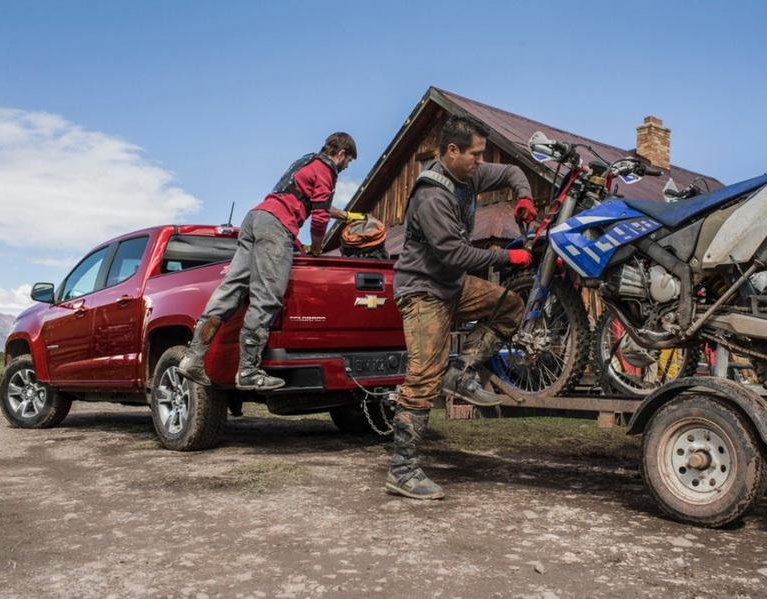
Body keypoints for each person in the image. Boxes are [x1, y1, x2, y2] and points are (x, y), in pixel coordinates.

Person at [385, 115, 536, 500]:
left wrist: (524, 198)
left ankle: (462, 370)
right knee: (422, 377)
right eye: (475, 154)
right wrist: (509, 257)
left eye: (482, 154)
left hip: (451, 286)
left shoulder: (469, 176)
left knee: (509, 305)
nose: (480, 161)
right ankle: (402, 469)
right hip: (423, 291)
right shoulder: (431, 196)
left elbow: (514, 171)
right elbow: (453, 254)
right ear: (452, 151)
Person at [177, 132, 363, 391]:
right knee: (267, 297)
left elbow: (308, 200)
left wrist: (344, 215)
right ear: (341, 154)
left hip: (256, 218)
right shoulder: (327, 170)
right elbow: (319, 217)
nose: (346, 167)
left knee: (231, 291)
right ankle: (249, 372)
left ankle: (192, 358)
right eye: (349, 161)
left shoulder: (307, 162)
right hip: (276, 227)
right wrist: (317, 250)